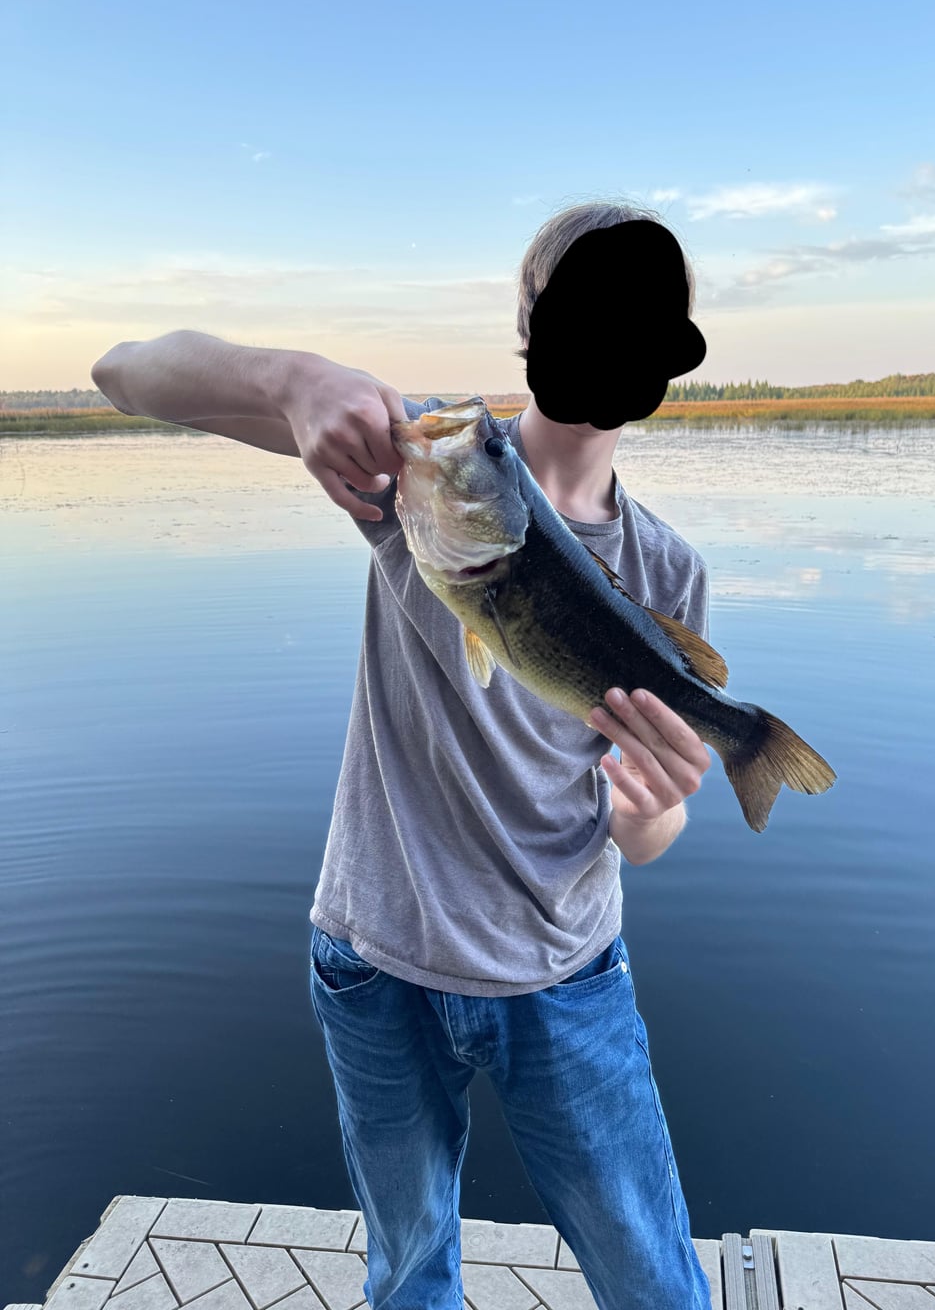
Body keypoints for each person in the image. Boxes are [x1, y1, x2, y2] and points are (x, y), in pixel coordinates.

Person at [92, 201, 716, 1310]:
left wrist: (650, 809)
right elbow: (122, 372)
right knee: (410, 1278)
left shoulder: (666, 571)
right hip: (374, 961)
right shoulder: (428, 466)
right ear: (529, 322)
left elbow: (651, 834)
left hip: (564, 974)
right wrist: (295, 381)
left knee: (655, 1283)